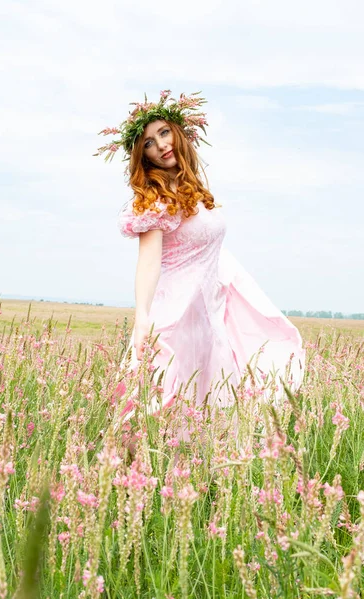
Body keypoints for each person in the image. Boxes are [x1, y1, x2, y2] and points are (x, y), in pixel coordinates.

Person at [94, 90, 305, 424]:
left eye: (164, 133)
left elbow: (212, 254)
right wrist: (142, 316)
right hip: (174, 320)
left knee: (204, 414)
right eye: (148, 143)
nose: (161, 145)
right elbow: (148, 262)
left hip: (208, 317)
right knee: (154, 416)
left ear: (178, 133)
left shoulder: (194, 190)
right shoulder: (156, 200)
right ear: (143, 156)